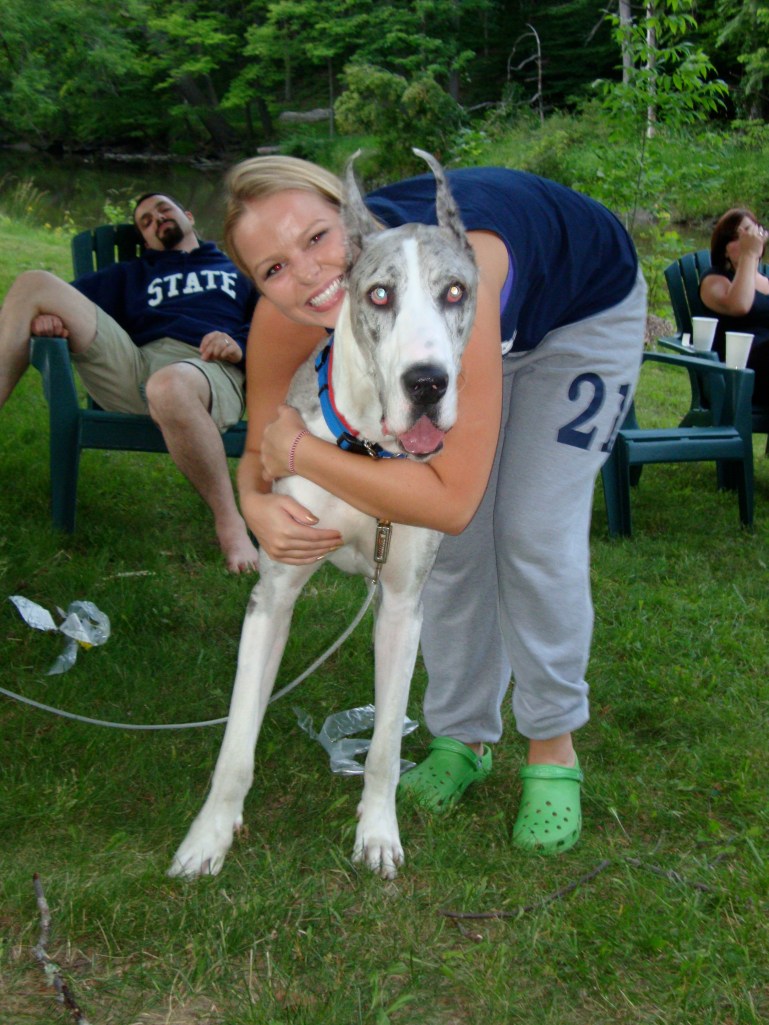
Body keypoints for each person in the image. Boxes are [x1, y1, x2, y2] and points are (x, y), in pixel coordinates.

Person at [224, 155, 646, 855]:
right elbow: (258, 445)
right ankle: (463, 736)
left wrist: (303, 456)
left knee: (529, 528)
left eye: (318, 237)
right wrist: (253, 504)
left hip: (578, 317)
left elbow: (446, 501)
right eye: (272, 268)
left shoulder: (457, 267)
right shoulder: (296, 308)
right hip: (451, 325)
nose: (306, 274)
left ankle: (552, 747)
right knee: (450, 551)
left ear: (352, 220)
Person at [0, 192, 260, 573]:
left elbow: (274, 322)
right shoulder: (132, 274)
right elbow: (59, 299)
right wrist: (45, 316)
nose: (157, 220)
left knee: (168, 386)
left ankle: (229, 523)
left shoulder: (237, 269)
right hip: (134, 367)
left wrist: (238, 344)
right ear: (146, 239)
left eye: (163, 210)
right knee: (33, 283)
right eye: (146, 221)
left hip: (206, 365)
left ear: (188, 215)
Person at [700, 207, 769, 405]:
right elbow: (740, 306)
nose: (747, 241)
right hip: (737, 373)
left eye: (750, 234)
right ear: (725, 249)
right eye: (739, 237)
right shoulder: (714, 280)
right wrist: (749, 256)